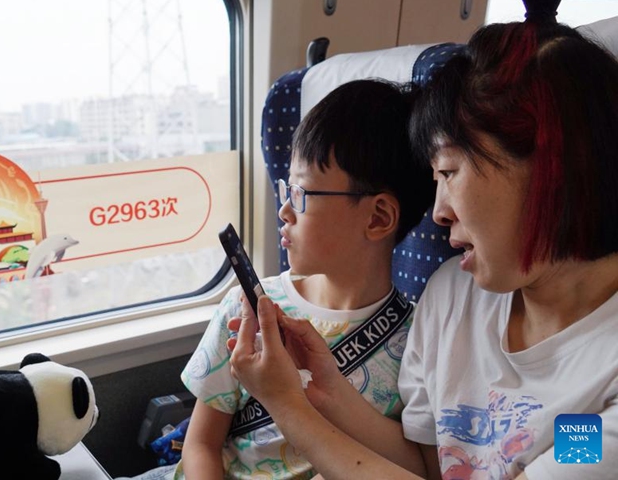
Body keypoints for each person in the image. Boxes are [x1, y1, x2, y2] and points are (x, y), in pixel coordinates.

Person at [228, 8, 618, 480]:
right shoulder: (452, 295)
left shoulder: (604, 371)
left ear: (552, 165)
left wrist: (287, 407)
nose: (438, 212)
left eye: (450, 172)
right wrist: (323, 386)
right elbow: (428, 465)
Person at [129, 79, 434, 480]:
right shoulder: (251, 308)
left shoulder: (415, 345)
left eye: (302, 194)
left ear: (377, 218)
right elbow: (201, 444)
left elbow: (412, 468)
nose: (284, 210)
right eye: (284, 189)